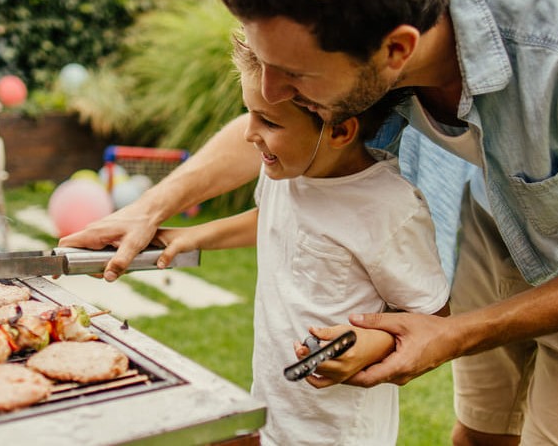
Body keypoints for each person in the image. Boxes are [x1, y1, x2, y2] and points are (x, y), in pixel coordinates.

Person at [61, 0, 558, 444]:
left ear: (397, 51)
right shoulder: (359, 37)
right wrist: (153, 206)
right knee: (482, 433)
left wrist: (455, 332)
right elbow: (274, 117)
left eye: (295, 77)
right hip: (492, 207)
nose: (271, 93)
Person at [152, 38, 450, 445]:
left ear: (341, 129)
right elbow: (273, 221)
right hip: (276, 410)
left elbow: (433, 315)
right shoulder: (287, 169)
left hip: (340, 432)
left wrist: (375, 343)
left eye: (269, 123)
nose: (249, 135)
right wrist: (189, 236)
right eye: (250, 114)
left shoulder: (389, 208)